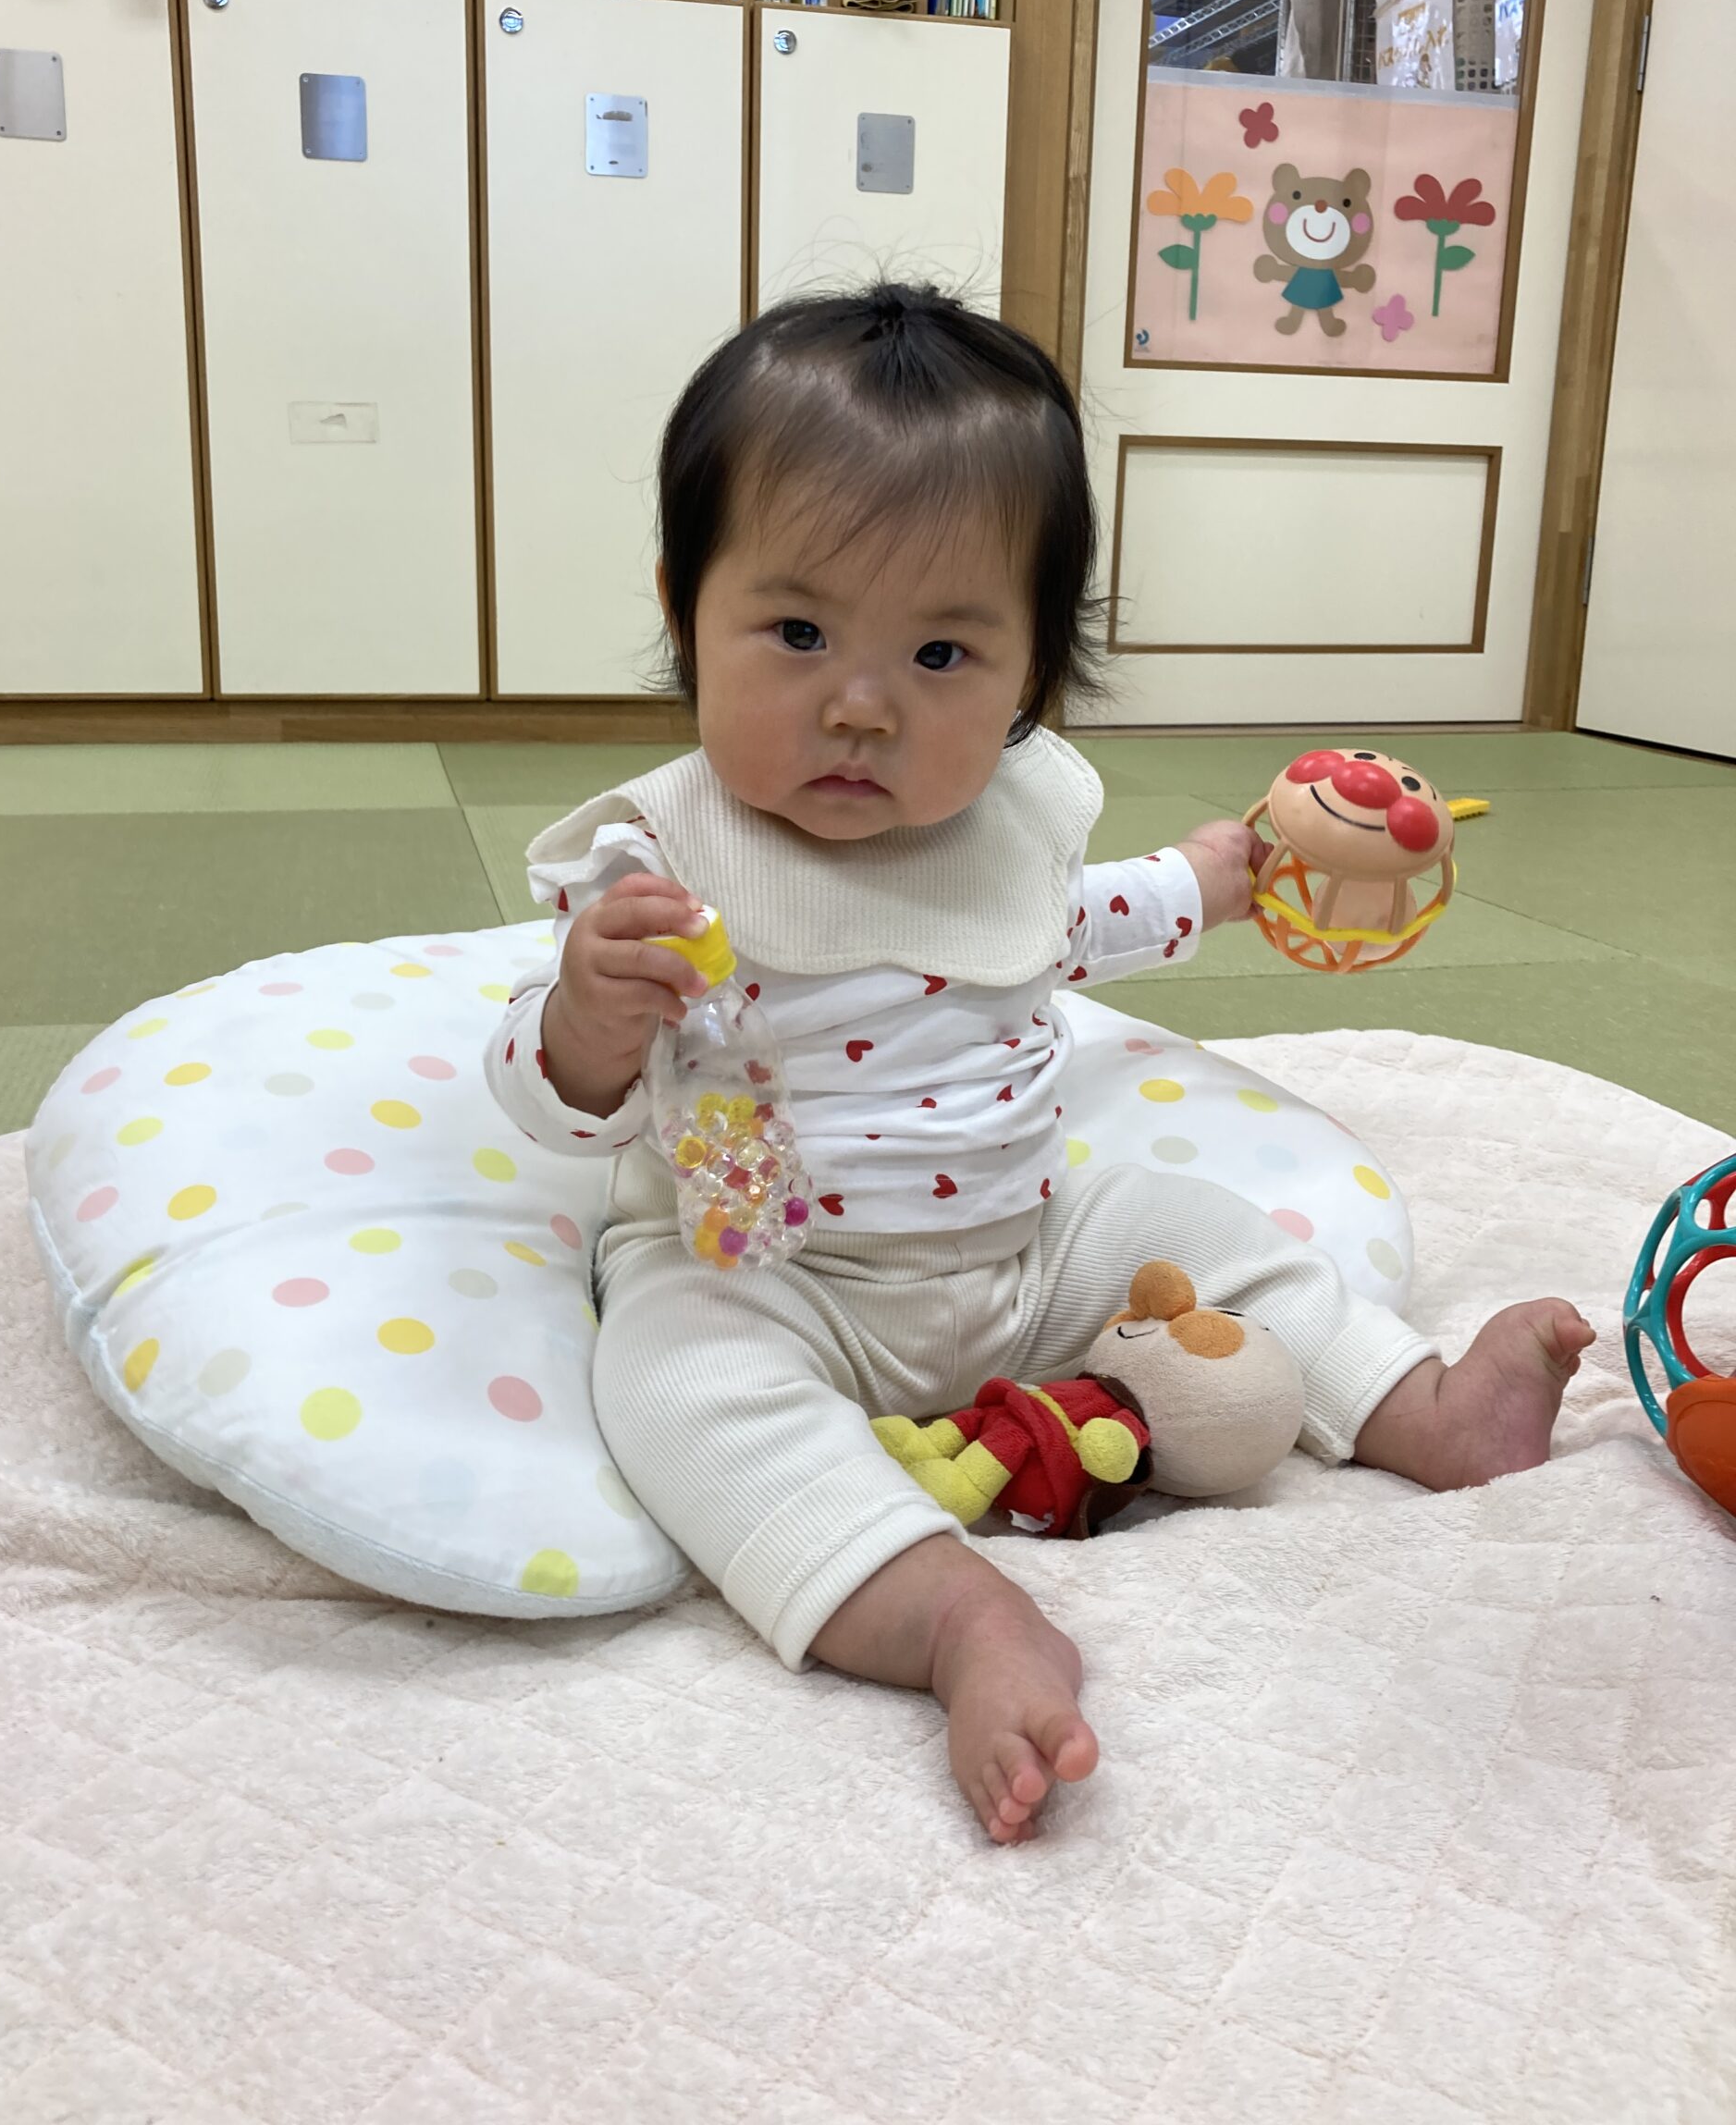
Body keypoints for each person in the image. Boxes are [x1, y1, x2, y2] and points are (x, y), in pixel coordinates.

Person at [486, 282, 1594, 1844]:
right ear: (686, 608)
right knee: (670, 1380)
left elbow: (1073, 922)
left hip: (1029, 1247)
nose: (860, 706)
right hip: (773, 1276)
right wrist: (588, 1018)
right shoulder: (655, 859)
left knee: (1202, 1230)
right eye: (798, 634)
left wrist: (1211, 881)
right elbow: (543, 1092)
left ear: (1031, 678)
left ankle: (1420, 1405)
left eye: (942, 652)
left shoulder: (1002, 833)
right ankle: (947, 1611)